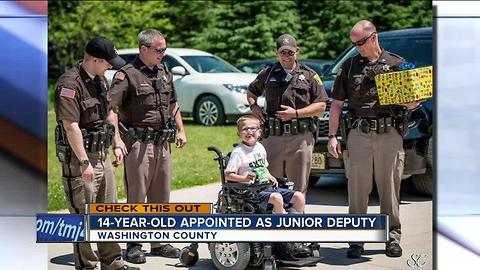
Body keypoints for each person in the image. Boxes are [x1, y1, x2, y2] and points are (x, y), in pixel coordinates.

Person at [327, 20, 420, 259]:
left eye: (360, 42)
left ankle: (391, 237)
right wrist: (332, 136)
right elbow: (336, 104)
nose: (356, 47)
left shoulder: (396, 64)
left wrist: (414, 100)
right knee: (357, 190)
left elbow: (412, 101)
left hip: (389, 134)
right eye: (353, 43)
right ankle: (357, 240)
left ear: (373, 38)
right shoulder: (348, 67)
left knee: (390, 188)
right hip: (359, 134)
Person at [54, 36, 139, 270]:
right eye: (107, 62)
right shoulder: (70, 84)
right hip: (80, 158)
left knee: (108, 210)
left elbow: (111, 112)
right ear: (93, 59)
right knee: (82, 213)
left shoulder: (100, 79)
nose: (111, 66)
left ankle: (112, 261)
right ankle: (87, 265)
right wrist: (83, 162)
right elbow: (71, 126)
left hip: (101, 153)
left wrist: (117, 141)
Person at [108, 28, 187, 264]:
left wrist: (181, 129)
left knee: (161, 194)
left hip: (163, 143)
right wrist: (117, 140)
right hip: (138, 143)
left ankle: (159, 242)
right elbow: (111, 108)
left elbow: (173, 103)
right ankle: (134, 244)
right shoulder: (127, 75)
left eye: (164, 49)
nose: (163, 53)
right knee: (137, 195)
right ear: (144, 49)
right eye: (159, 50)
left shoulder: (163, 70)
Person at [247, 34, 328, 195]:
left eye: (290, 52)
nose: (286, 56)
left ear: (297, 51)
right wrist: (254, 106)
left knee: (298, 188)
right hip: (272, 137)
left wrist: (296, 114)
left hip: (300, 137)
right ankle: (273, 218)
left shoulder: (310, 75)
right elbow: (251, 91)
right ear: (276, 52)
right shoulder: (268, 72)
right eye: (283, 52)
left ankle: (297, 218)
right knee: (269, 185)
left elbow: (321, 105)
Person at [225, 115, 305, 214]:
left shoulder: (260, 147)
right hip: (249, 192)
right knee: (277, 198)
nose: (249, 131)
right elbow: (228, 175)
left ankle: (300, 224)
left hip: (266, 188)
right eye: (245, 129)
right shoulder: (238, 152)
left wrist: (270, 176)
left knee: (298, 196)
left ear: (259, 132)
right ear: (239, 133)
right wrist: (244, 178)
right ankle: (280, 226)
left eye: (253, 128)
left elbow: (263, 167)